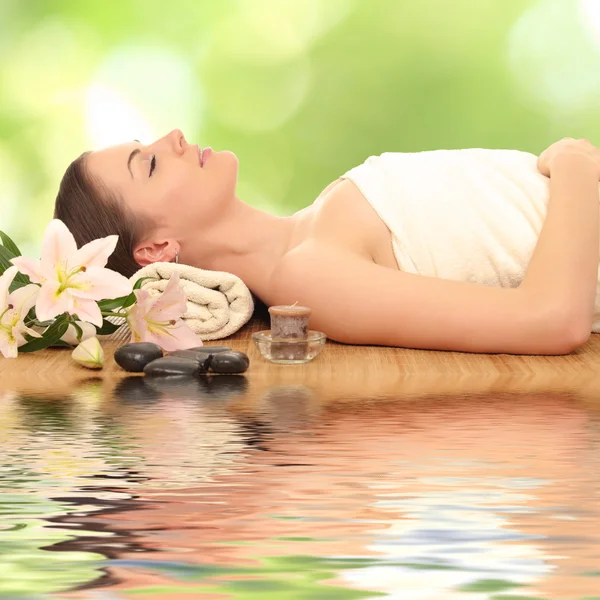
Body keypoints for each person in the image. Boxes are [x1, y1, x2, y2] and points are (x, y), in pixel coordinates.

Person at [54, 130, 600, 355]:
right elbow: (552, 319)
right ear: (156, 250)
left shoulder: (320, 219)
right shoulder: (308, 277)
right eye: (148, 163)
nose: (171, 137)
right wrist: (577, 164)